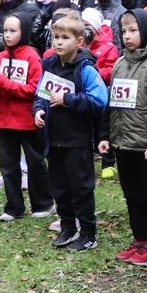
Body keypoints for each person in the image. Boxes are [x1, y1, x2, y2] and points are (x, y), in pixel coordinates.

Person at [99, 8, 147, 264]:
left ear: (146, 30)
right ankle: (138, 238)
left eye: (133, 30)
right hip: (124, 143)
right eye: (124, 31)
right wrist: (105, 135)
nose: (127, 36)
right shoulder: (120, 63)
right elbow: (112, 103)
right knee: (132, 194)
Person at [33, 14, 108, 251]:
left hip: (77, 140)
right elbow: (40, 94)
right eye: (56, 37)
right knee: (59, 187)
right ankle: (67, 227)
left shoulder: (85, 69)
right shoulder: (48, 65)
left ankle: (88, 233)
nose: (58, 42)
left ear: (79, 42)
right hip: (53, 138)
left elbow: (100, 99)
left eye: (65, 37)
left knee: (80, 188)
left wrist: (68, 99)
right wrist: (38, 110)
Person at [0, 14, 54, 222]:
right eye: (5, 30)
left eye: (13, 31)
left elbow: (34, 89)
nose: (7, 35)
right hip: (5, 120)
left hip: (27, 121)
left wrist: (4, 83)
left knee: (35, 163)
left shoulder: (32, 56)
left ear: (23, 32)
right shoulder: (1, 56)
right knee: (8, 166)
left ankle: (43, 203)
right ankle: (14, 207)